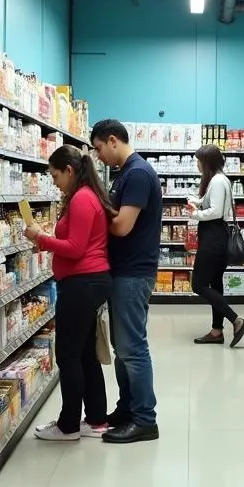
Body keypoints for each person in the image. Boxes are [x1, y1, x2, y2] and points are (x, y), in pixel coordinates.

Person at [24, 145, 114, 441]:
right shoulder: (83, 196)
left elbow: (75, 249)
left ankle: (68, 426)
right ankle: (97, 419)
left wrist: (42, 238)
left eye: (55, 175)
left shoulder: (82, 199)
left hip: (82, 283)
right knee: (85, 353)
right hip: (87, 282)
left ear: (69, 171)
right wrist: (47, 241)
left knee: (68, 354)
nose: (54, 181)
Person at [90, 119, 162, 443]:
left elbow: (121, 227)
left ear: (113, 140)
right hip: (124, 272)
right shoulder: (125, 174)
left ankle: (145, 419)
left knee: (133, 349)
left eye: (99, 148)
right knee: (123, 349)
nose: (99, 156)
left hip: (133, 274)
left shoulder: (137, 174)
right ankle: (128, 408)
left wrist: (95, 213)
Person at [187, 144, 244, 347]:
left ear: (207, 162)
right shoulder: (221, 179)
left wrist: (195, 214)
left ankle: (236, 320)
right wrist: (197, 202)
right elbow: (216, 205)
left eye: (199, 161)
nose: (197, 165)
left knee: (198, 284)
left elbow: (215, 211)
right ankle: (217, 332)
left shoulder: (216, 181)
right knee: (215, 283)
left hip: (213, 238)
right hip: (219, 237)